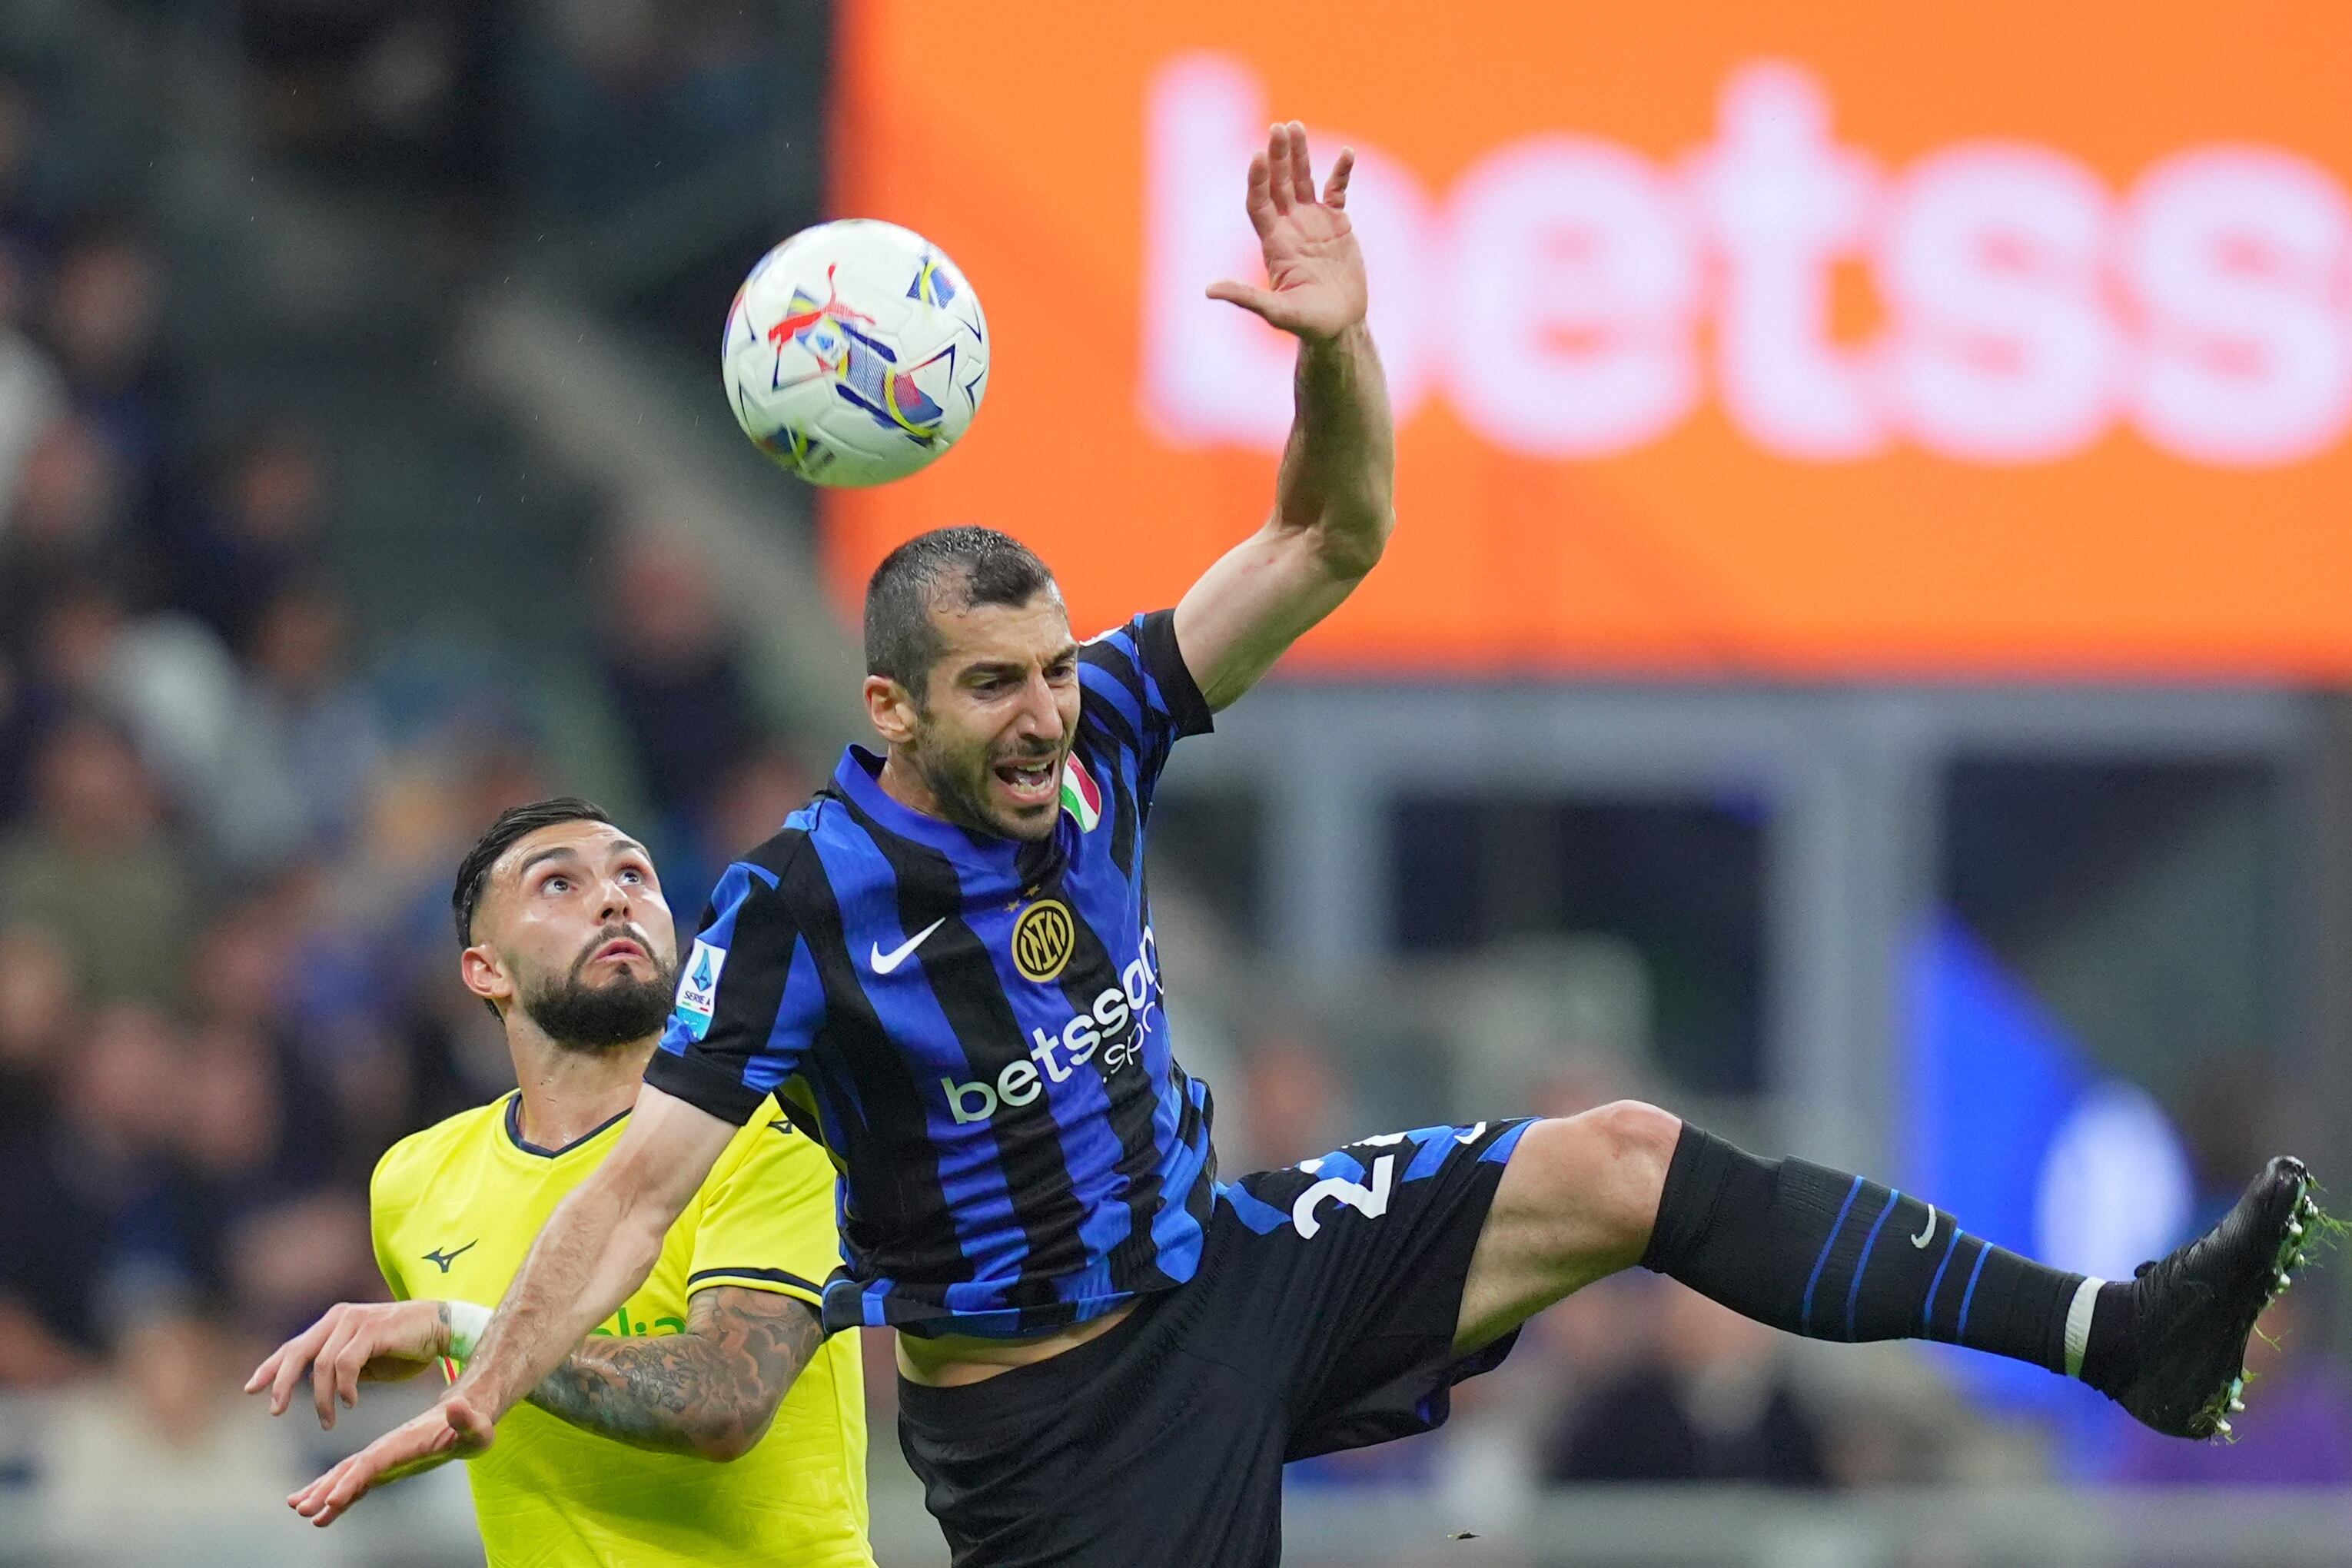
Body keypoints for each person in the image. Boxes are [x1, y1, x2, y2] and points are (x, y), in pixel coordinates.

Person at [290, 125, 2320, 1565]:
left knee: (1615, 1159)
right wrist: (495, 1369)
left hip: (1228, 1276)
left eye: (1046, 666)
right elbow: (645, 1185)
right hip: (1053, 1428)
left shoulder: (1099, 735)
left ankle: (2109, 1334)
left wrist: (1336, 348)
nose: (1040, 711)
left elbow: (1330, 537)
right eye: (988, 686)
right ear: (889, 712)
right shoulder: (798, 900)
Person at [250, 798, 871, 1566]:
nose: (615, 898)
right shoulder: (415, 1181)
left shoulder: (775, 1129)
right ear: (486, 970)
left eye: (634, 876)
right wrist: (402, 1355)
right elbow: (448, 1359)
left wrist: (464, 1333)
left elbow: (725, 1400)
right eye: (557, 885)